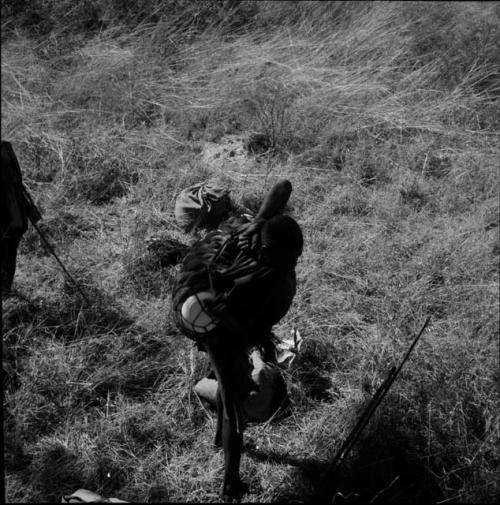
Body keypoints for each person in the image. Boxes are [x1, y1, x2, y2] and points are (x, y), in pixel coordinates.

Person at [172, 179, 303, 501]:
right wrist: (232, 479)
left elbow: (284, 186)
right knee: (235, 397)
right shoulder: (230, 297)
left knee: (237, 379)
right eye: (285, 264)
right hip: (203, 313)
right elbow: (236, 329)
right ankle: (229, 475)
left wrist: (261, 218)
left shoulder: (256, 230)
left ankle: (220, 414)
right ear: (266, 253)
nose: (290, 268)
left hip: (218, 304)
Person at [1, 141, 40, 294]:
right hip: (10, 215)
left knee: (9, 254)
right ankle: (5, 291)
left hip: (12, 214)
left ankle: (6, 291)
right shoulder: (5, 148)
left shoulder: (5, 148)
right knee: (6, 255)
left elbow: (17, 181)